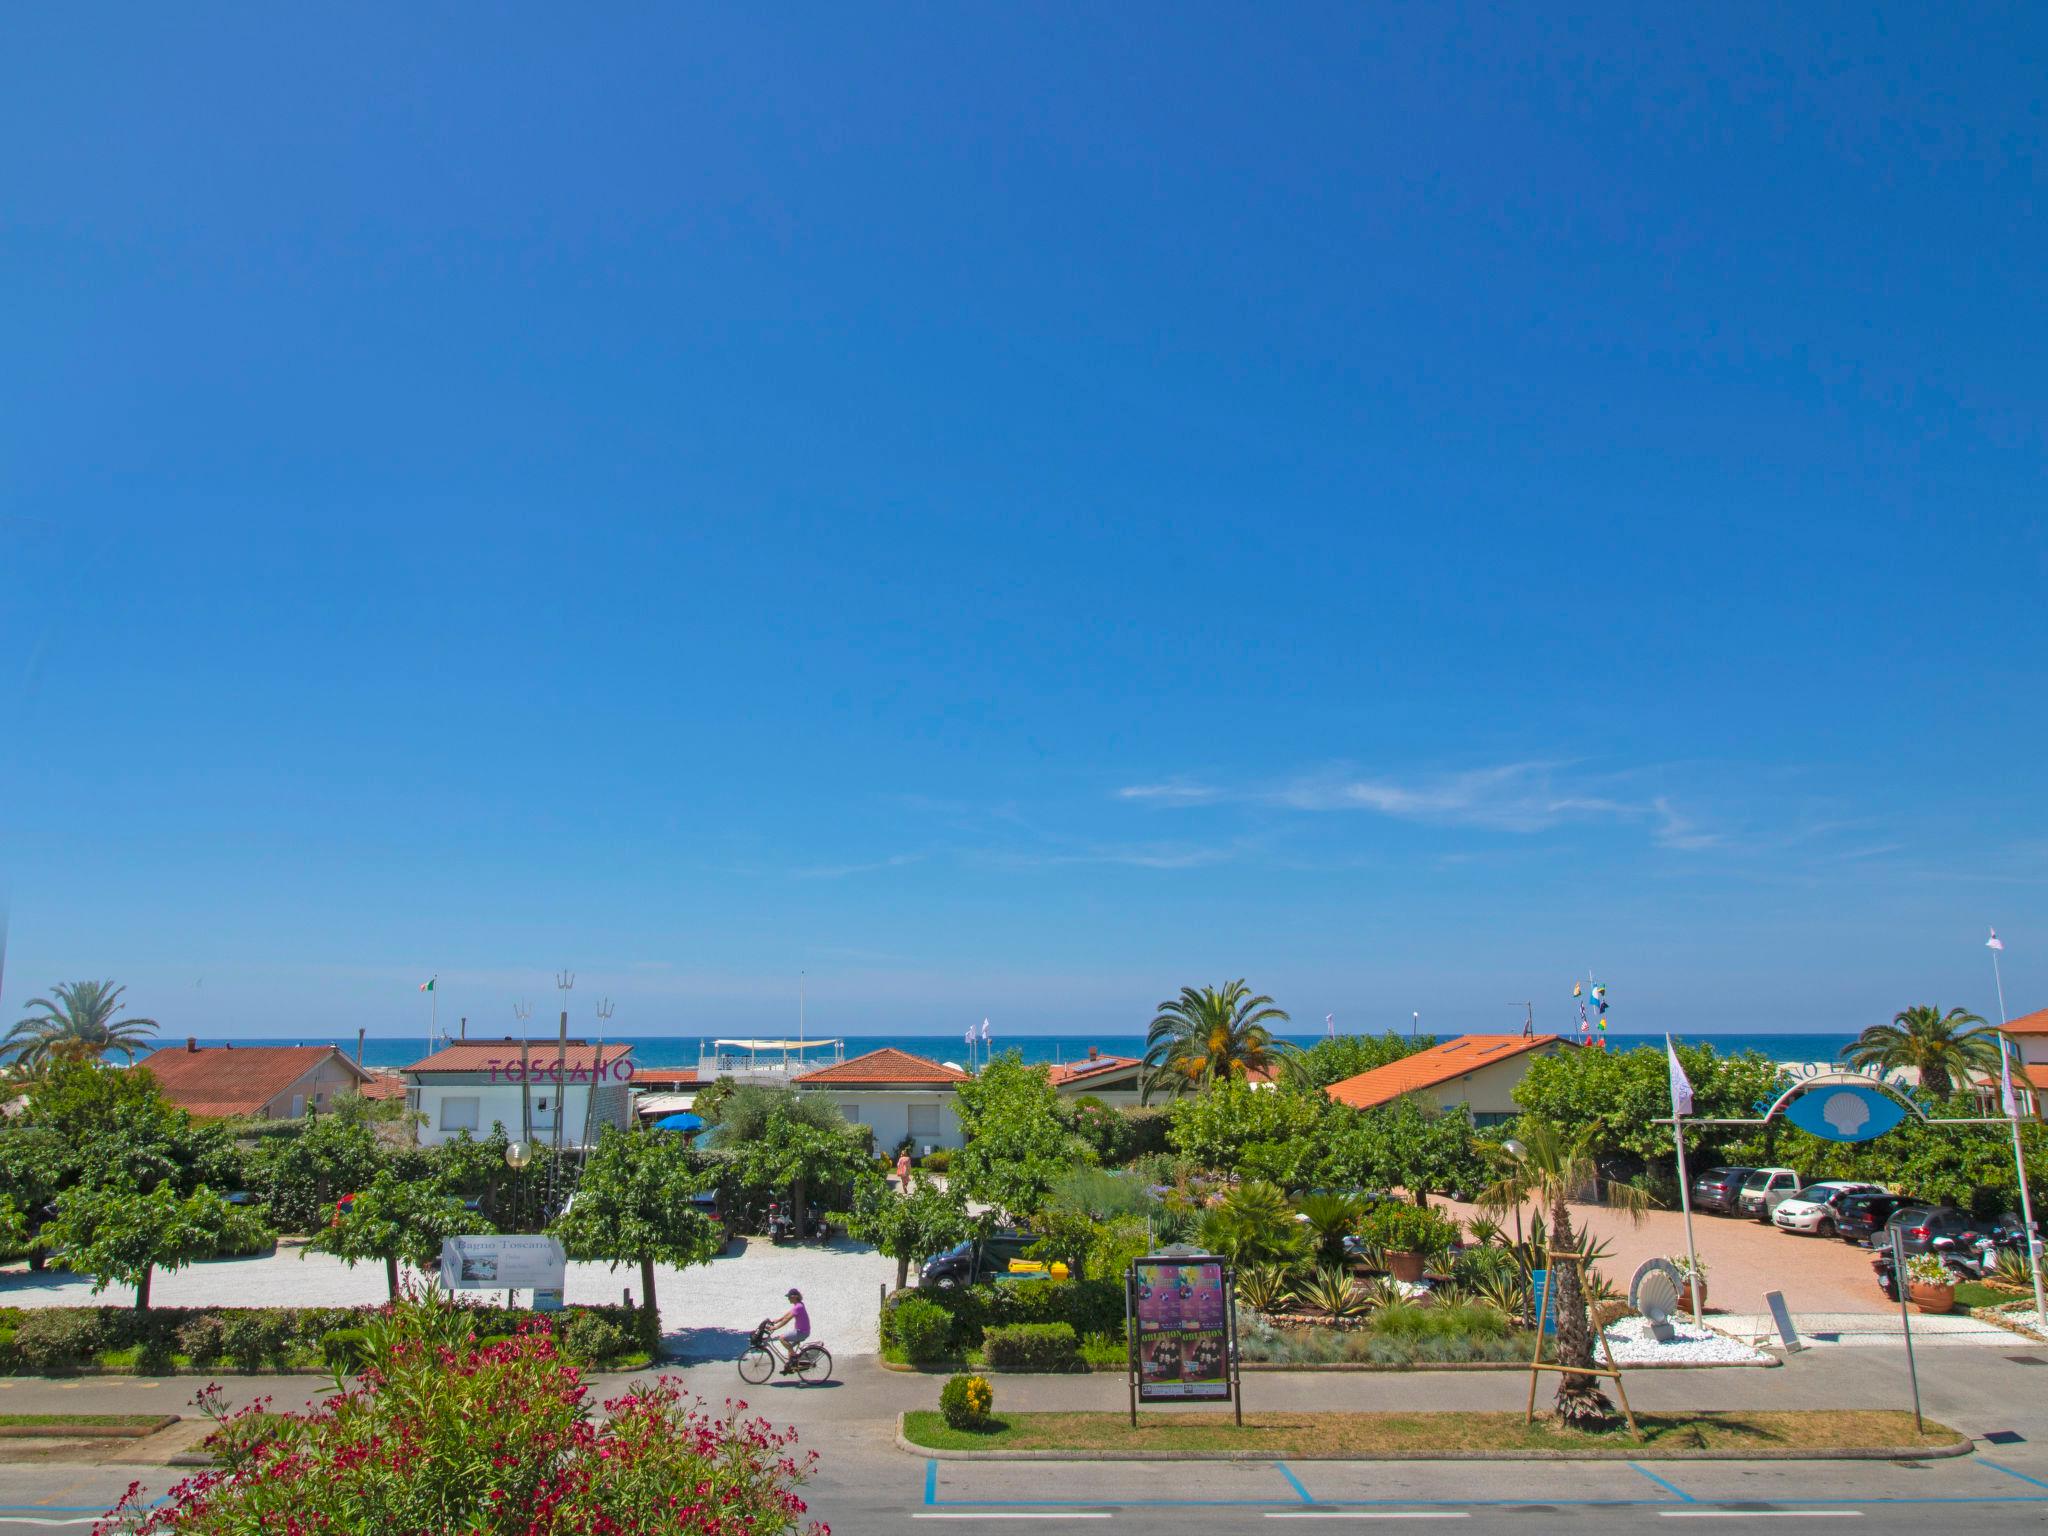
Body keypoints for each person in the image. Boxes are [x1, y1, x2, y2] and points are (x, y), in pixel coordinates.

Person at [764, 1287, 810, 1373]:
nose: (788, 1298)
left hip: (801, 1332)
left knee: (782, 1338)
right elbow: (788, 1314)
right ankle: (790, 1367)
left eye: (789, 1297)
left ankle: (794, 1359)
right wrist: (778, 1320)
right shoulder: (799, 1305)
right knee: (790, 1348)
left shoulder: (798, 1307)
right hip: (802, 1331)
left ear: (794, 1297)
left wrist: (775, 1327)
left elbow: (787, 1319)